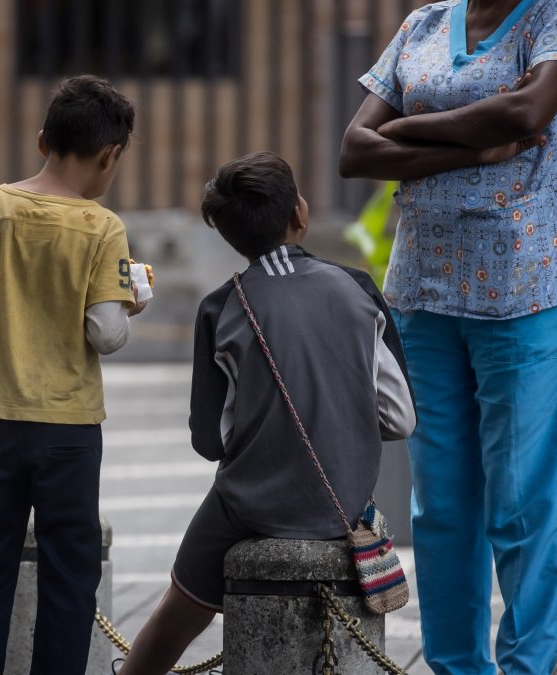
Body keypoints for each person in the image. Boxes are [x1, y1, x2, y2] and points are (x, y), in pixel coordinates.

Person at [339, 0, 557, 672]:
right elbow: (354, 150)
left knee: (524, 504)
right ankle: (455, 666)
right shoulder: (422, 25)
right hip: (423, 292)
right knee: (442, 508)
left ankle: (527, 666)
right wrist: (477, 144)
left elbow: (525, 115)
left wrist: (411, 131)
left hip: (526, 284)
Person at [117, 151, 416, 675]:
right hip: (345, 503)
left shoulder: (220, 306)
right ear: (299, 213)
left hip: (247, 507)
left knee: (175, 611)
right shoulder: (358, 289)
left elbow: (210, 440)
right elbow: (401, 418)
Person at [0, 74, 147, 675]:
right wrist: (131, 301)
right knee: (70, 580)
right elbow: (106, 335)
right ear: (110, 155)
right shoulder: (102, 227)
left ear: (43, 140)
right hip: (69, 433)